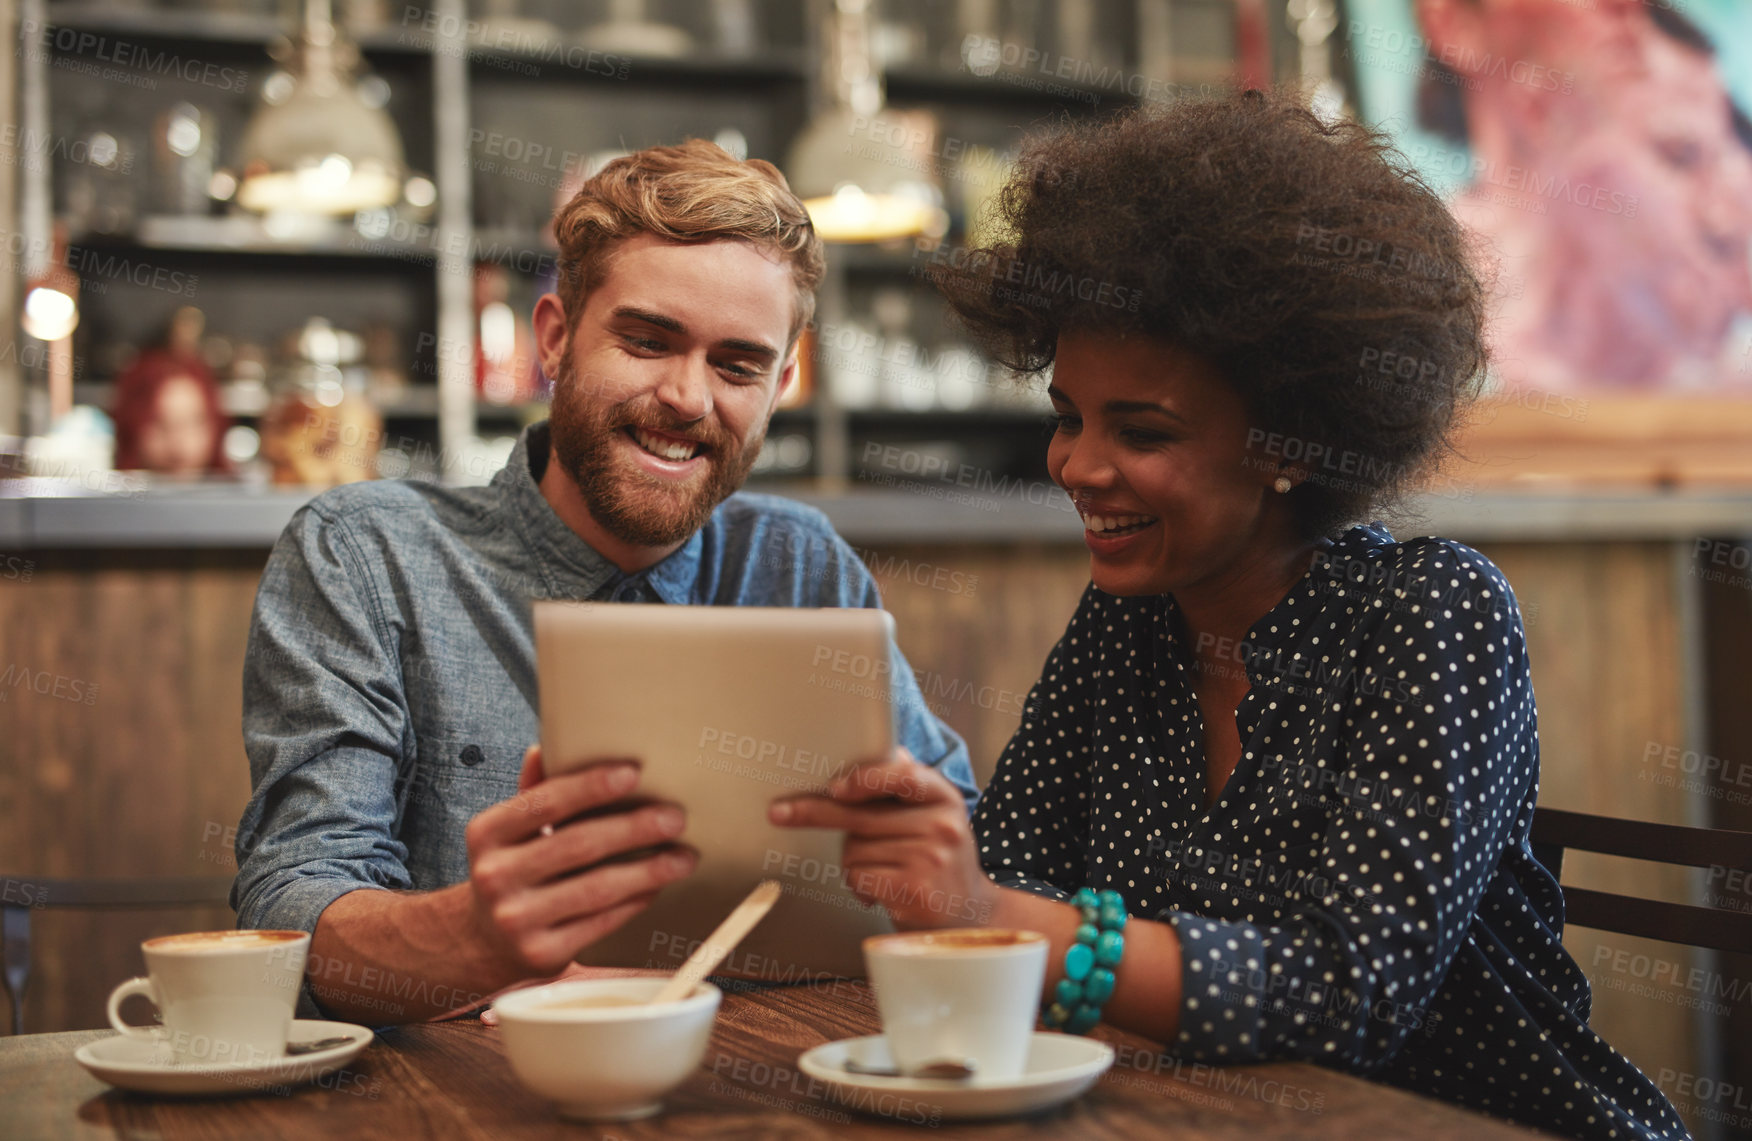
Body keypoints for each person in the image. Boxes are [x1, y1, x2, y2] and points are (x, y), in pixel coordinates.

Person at [772, 92, 1689, 1140]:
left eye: (1142, 430)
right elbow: (1013, 870)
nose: (1076, 464)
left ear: (1292, 439)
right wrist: (916, 848)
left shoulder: (1433, 614)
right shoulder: (1129, 621)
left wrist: (993, 913)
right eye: (1068, 416)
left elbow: (1347, 996)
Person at [233, 140, 976, 1024]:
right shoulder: (366, 556)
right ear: (555, 338)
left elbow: (959, 860)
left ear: (780, 387)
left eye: (737, 365)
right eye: (647, 341)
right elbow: (290, 908)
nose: (687, 397)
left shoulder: (799, 564)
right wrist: (475, 935)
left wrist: (945, 859)